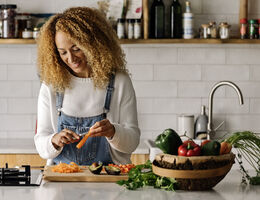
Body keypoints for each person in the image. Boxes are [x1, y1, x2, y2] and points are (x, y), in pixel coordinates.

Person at [34, 7, 140, 165]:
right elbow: (41, 143)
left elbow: (132, 141)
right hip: (61, 180)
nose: (71, 58)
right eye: (63, 52)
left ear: (94, 44)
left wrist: (113, 132)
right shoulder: (51, 85)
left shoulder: (119, 82)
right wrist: (54, 140)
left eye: (76, 49)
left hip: (109, 180)